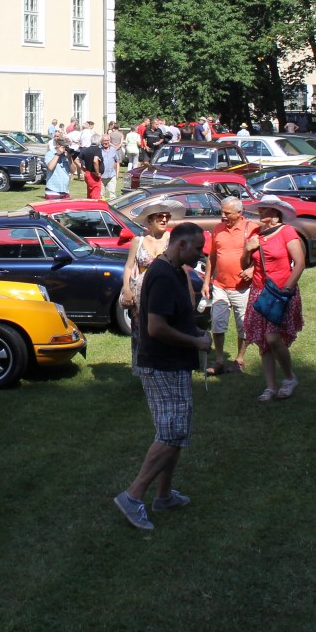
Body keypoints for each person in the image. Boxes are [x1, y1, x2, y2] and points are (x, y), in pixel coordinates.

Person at [114, 221, 212, 531]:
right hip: (161, 365)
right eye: (198, 248)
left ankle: (164, 495)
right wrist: (196, 341)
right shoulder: (162, 275)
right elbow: (155, 328)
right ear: (181, 245)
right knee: (170, 435)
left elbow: (175, 320)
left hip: (173, 363)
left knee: (176, 432)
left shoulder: (174, 272)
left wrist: (196, 331)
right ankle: (133, 496)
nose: (201, 254)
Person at [242, 195, 305, 402]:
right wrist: (247, 249)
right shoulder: (255, 234)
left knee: (273, 338)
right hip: (259, 292)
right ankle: (270, 386)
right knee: (263, 342)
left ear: (276, 214)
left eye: (265, 210)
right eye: (260, 209)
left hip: (280, 293)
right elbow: (244, 264)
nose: (260, 212)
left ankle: (289, 378)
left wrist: (287, 288)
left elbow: (299, 263)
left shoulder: (287, 232)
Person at [120, 197, 180, 367]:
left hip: (167, 291)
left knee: (165, 327)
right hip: (142, 293)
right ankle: (144, 367)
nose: (164, 220)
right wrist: (126, 289)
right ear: (149, 220)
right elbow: (128, 266)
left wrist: (186, 290)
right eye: (160, 216)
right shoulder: (138, 241)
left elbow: (180, 268)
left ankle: (165, 364)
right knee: (142, 330)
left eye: (167, 216)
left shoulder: (172, 239)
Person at [201, 196, 256, 376]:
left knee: (243, 325)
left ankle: (239, 359)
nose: (222, 216)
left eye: (227, 213)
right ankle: (218, 360)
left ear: (240, 213)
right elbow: (212, 257)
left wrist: (253, 270)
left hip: (242, 287)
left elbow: (264, 257)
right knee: (217, 323)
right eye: (221, 212)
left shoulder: (251, 229)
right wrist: (207, 281)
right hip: (220, 286)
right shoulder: (218, 229)